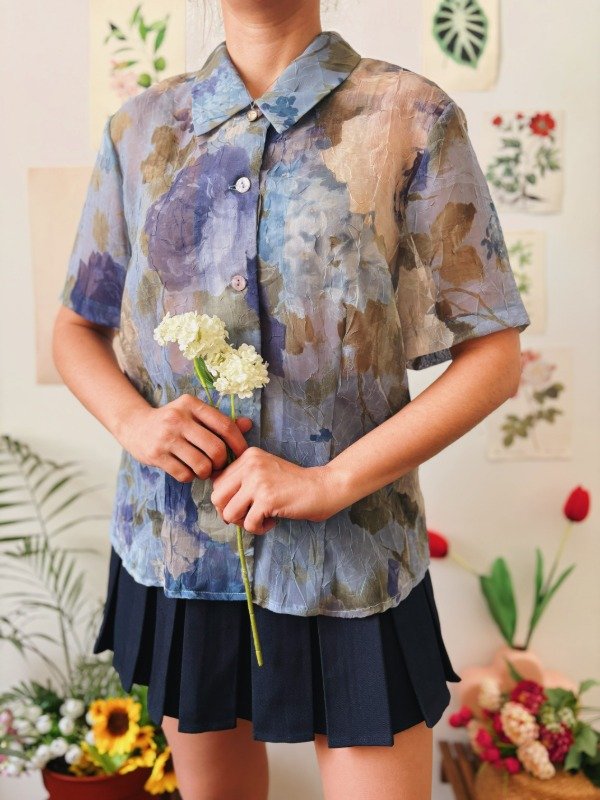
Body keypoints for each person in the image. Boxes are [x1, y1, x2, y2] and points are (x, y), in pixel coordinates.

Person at [52, 1, 531, 798]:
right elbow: (77, 326)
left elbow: (495, 358)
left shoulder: (411, 118)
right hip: (184, 550)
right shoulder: (140, 130)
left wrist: (329, 482)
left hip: (351, 562)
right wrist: (136, 423)